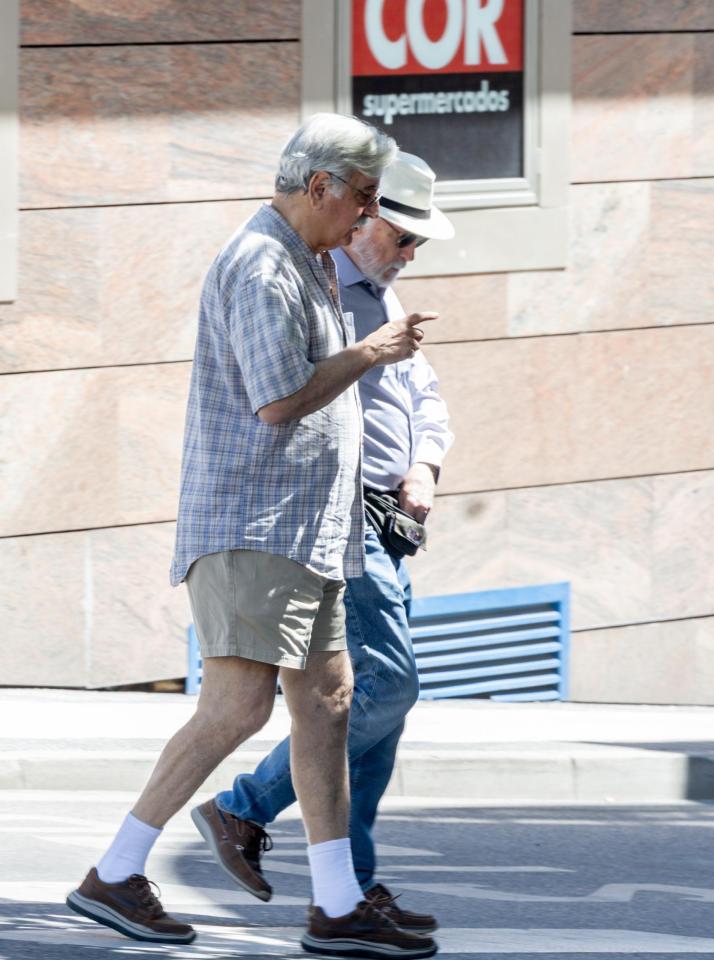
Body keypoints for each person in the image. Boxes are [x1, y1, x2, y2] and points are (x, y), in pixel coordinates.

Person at [64, 114, 439, 960]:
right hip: (255, 524)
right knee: (236, 707)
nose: (367, 218)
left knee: (330, 702)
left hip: (306, 531)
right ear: (320, 187)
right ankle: (116, 872)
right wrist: (370, 352)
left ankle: (338, 904)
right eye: (365, 199)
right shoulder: (261, 263)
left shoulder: (302, 258)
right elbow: (277, 398)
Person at [190, 152, 456, 936]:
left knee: (372, 710)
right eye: (402, 237)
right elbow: (282, 399)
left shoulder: (379, 292)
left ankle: (351, 889)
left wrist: (424, 464)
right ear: (360, 212)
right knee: (382, 690)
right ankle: (244, 808)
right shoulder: (317, 287)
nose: (410, 255)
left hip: (390, 517)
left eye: (419, 246)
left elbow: (428, 398)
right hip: (339, 516)